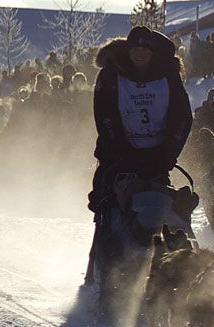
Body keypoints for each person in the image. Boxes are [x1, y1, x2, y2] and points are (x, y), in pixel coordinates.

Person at [86, 26, 192, 291]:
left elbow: (182, 116)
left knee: (159, 211)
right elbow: (105, 116)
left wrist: (168, 153)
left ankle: (169, 275)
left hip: (158, 158)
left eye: (145, 48)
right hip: (118, 157)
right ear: (128, 49)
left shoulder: (168, 75)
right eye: (135, 48)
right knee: (109, 211)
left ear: (152, 51)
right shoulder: (111, 75)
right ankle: (98, 277)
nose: (140, 53)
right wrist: (120, 152)